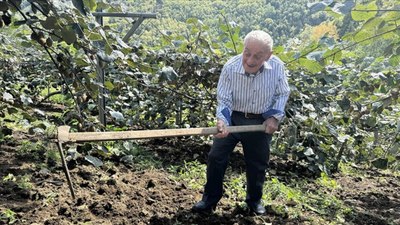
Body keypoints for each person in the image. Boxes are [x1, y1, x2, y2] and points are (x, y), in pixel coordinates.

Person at [192, 30, 290, 215]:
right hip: (233, 118)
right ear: (243, 50)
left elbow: (282, 93)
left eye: (258, 56)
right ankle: (209, 200)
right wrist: (223, 120)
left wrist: (274, 117)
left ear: (268, 55)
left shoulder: (277, 67)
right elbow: (224, 99)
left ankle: (254, 202)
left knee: (257, 163)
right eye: (247, 53)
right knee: (216, 157)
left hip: (259, 121)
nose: (251, 60)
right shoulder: (230, 67)